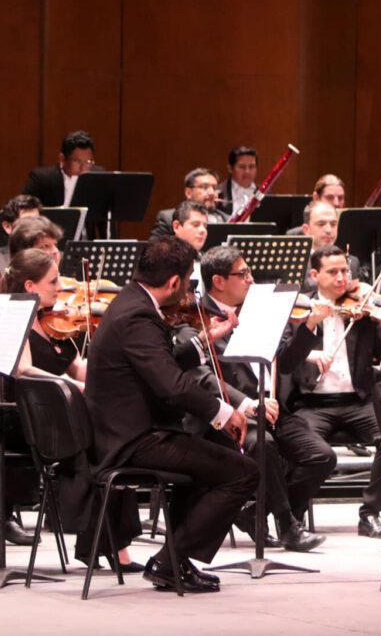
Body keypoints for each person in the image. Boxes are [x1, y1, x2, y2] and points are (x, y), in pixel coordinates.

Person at [85, 235, 258, 592]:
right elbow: (173, 386)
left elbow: (161, 365)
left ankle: (174, 561)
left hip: (130, 431)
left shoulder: (130, 303)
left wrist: (204, 340)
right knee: (242, 472)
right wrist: (225, 413)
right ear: (175, 282)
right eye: (188, 282)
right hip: (133, 440)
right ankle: (170, 559)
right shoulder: (138, 316)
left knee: (206, 462)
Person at [179, 246, 326, 552]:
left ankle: (254, 514)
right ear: (219, 281)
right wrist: (246, 404)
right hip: (225, 417)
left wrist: (309, 327)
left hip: (270, 408)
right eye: (243, 274)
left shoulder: (259, 309)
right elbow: (203, 378)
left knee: (321, 457)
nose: (251, 279)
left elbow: (283, 362)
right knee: (265, 445)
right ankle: (288, 527)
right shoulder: (195, 318)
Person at [4, 248, 144, 570]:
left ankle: (109, 547)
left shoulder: (55, 324)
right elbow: (23, 370)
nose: (60, 288)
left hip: (63, 415)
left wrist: (108, 369)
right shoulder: (18, 321)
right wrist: (70, 386)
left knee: (116, 445)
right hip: (28, 419)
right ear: (30, 287)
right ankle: (105, 546)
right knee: (106, 447)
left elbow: (79, 369)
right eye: (53, 282)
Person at [274, 246, 381, 538]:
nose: (342, 278)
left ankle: (370, 513)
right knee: (307, 451)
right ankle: (291, 515)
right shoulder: (297, 311)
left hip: (358, 401)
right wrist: (311, 329)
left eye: (345, 272)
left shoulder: (361, 310)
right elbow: (286, 361)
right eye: (333, 272)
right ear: (314, 275)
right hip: (311, 404)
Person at [22, 130, 98, 207]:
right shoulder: (42, 179)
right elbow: (23, 209)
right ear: (62, 159)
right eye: (77, 161)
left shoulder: (98, 177)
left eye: (88, 161)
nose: (83, 168)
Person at [150, 168, 229, 238]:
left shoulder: (227, 219)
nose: (212, 192)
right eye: (204, 187)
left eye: (215, 188)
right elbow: (154, 250)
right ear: (188, 193)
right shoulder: (168, 218)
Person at [0, 194, 43, 286]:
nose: (35, 226)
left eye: (37, 220)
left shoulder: (54, 256)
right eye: (27, 222)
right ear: (7, 227)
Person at [219, 146, 258, 217]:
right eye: (242, 167)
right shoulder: (219, 192)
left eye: (251, 166)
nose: (247, 172)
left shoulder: (266, 193)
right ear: (230, 169)